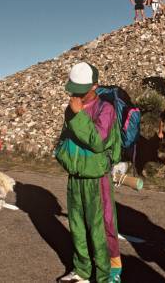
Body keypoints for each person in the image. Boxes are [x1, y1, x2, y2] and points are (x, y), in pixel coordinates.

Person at [58, 62, 122, 283]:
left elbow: (97, 141)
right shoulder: (71, 108)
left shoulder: (106, 109)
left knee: (100, 228)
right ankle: (82, 271)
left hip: (96, 178)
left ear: (95, 85)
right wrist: (63, 157)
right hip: (75, 177)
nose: (76, 94)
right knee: (77, 226)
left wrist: (78, 115)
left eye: (81, 89)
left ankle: (105, 276)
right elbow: (64, 139)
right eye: (73, 88)